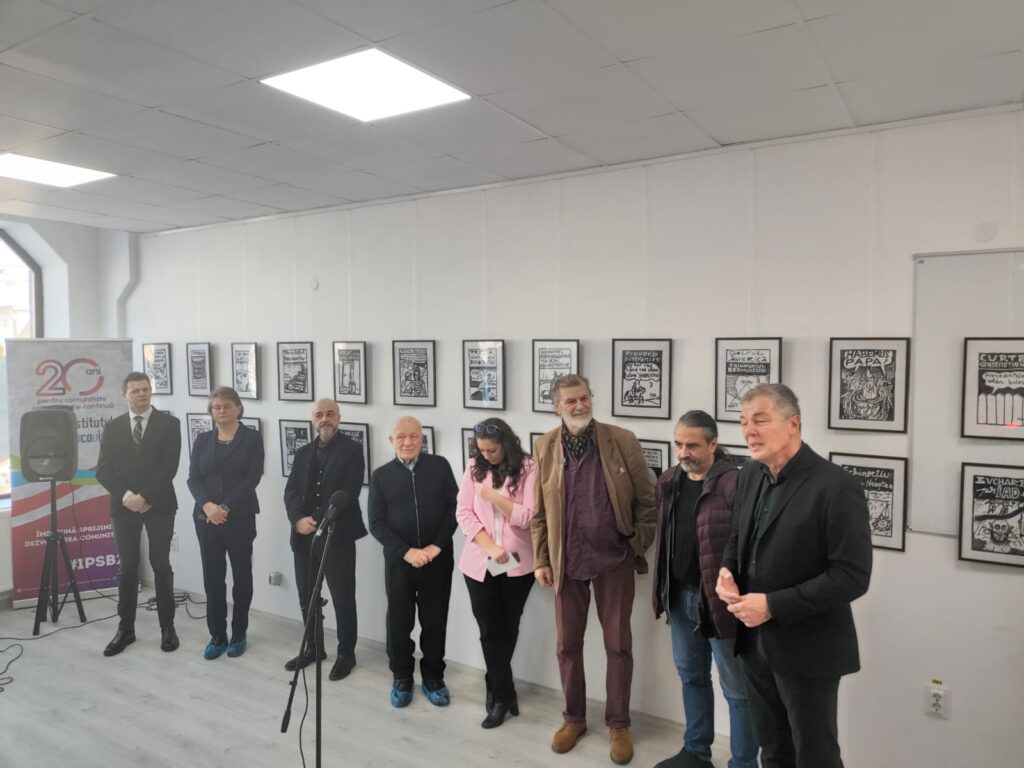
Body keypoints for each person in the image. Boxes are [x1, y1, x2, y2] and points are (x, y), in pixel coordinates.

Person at [716, 384, 872, 768]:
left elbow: (852, 576)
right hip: (753, 644)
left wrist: (772, 605)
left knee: (815, 755)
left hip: (809, 648)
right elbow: (739, 536)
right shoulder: (749, 476)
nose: (749, 431)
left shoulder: (836, 487)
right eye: (743, 422)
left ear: (794, 424)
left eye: (760, 420)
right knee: (772, 751)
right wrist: (727, 570)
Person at [531, 374, 657, 766]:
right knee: (567, 646)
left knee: (618, 645)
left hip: (613, 561)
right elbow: (539, 510)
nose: (579, 405)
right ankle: (574, 719)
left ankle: (619, 724)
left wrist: (635, 545)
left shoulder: (622, 440)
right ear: (557, 406)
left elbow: (648, 500)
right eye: (570, 400)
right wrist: (541, 558)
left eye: (584, 398)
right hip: (567, 564)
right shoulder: (544, 445)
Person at [652, 411, 758, 768]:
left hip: (720, 604)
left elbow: (750, 543)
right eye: (679, 444)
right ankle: (696, 752)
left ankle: (743, 763)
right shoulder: (670, 480)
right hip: (680, 596)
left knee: (737, 690)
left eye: (693, 445)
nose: (683, 452)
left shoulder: (734, 483)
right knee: (691, 676)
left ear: (713, 444)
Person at [368, 416, 458, 708]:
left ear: (422, 438)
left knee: (435, 621)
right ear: (391, 440)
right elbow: (376, 524)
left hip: (437, 560)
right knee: (399, 621)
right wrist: (407, 552)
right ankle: (402, 677)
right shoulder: (381, 476)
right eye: (401, 437)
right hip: (399, 563)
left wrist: (435, 547)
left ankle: (434, 678)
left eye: (413, 436)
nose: (407, 442)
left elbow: (454, 509)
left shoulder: (440, 466)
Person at [456, 418, 537, 729]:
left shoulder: (528, 467)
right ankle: (503, 695)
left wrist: (495, 497)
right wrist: (490, 547)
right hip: (480, 561)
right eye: (481, 450)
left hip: (518, 563)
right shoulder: (473, 466)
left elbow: (527, 516)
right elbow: (463, 511)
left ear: (506, 444)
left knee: (509, 627)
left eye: (492, 450)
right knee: (490, 630)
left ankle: (495, 684)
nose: (486, 455)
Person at [96, 372, 182, 656]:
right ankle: (126, 629)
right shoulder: (113, 427)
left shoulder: (170, 424)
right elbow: (103, 471)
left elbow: (169, 468)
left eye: (146, 389)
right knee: (128, 567)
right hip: (123, 507)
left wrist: (144, 497)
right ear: (124, 395)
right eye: (136, 391)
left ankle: (167, 627)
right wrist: (128, 498)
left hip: (159, 505)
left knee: (161, 564)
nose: (142, 394)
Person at [284, 398, 366, 681]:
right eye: (319, 414)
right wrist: (297, 519)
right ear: (313, 419)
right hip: (303, 535)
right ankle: (314, 648)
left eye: (330, 414)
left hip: (337, 535)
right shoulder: (303, 452)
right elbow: (291, 490)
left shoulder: (353, 450)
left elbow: (349, 491)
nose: (324, 419)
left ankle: (346, 654)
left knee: (343, 597)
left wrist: (315, 519)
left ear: (339, 418)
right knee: (307, 595)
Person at [187, 386, 264, 660]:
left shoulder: (252, 438)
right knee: (213, 578)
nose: (221, 411)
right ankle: (217, 635)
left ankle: (239, 632)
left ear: (238, 408)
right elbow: (193, 478)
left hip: (239, 517)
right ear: (211, 410)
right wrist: (208, 506)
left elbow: (253, 477)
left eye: (227, 406)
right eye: (216, 407)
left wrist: (225, 507)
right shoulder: (202, 439)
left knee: (242, 577)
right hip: (206, 519)